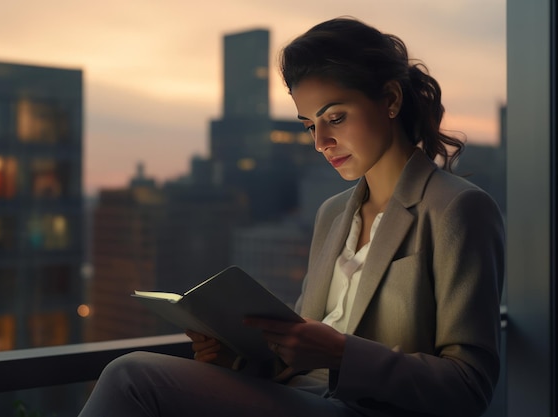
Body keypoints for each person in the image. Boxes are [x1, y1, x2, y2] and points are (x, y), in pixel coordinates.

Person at [78, 16, 504, 417]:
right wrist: (239, 359)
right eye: (308, 125)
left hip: (369, 409)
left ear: (391, 99)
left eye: (335, 117)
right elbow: (297, 359)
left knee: (132, 375)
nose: (320, 142)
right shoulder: (332, 214)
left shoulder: (457, 208)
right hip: (302, 400)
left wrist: (341, 353)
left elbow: (470, 387)